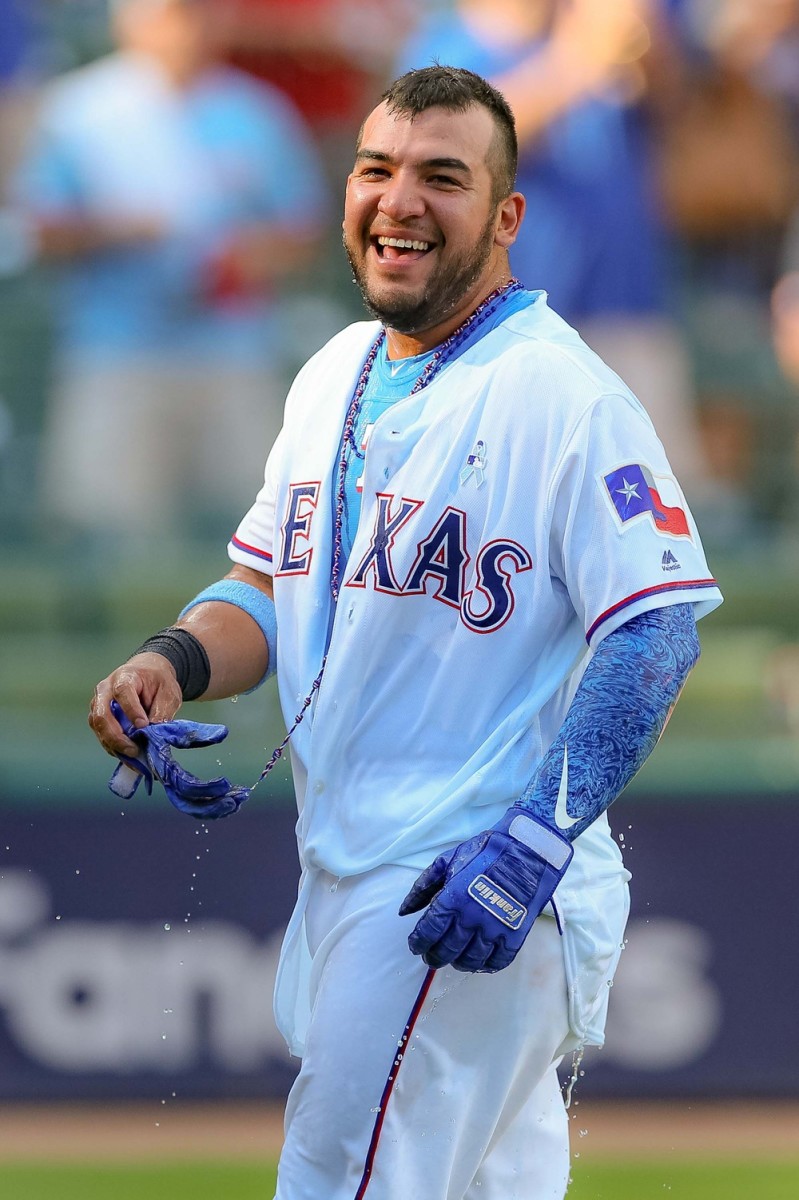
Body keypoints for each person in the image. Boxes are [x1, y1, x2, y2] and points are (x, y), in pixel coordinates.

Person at [89, 66, 723, 1200]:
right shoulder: (335, 368)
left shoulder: (562, 396)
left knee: (334, 1182)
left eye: (444, 176)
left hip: (461, 881)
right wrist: (170, 663)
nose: (401, 201)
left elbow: (657, 627)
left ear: (505, 215)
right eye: (378, 170)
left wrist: (534, 842)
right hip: (366, 865)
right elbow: (263, 586)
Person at [14, 0, 328, 545]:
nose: (187, 29)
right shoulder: (80, 111)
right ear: (129, 21)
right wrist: (115, 231)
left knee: (260, 541)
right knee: (110, 540)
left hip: (232, 353)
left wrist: (249, 258)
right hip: (114, 353)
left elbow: (304, 231)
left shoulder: (255, 111)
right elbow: (36, 231)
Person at [394, 0, 711, 497]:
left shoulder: (585, 29)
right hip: (498, 322)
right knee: (504, 497)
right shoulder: (445, 49)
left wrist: (650, 47)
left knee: (658, 502)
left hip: (625, 304)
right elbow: (459, 146)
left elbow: (680, 111)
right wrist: (578, 61)